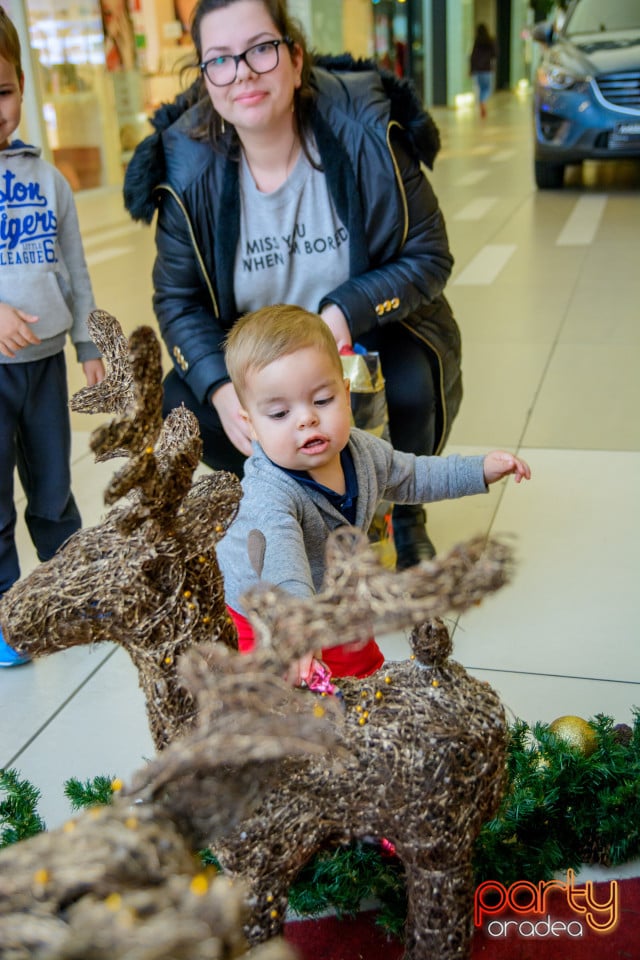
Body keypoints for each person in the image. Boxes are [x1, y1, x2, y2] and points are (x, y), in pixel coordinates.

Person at [124, 0, 461, 572]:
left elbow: (429, 254)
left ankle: (405, 515)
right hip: (262, 358)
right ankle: (279, 501)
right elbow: (178, 301)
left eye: (260, 49)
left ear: (295, 57)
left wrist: (342, 314)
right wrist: (223, 391)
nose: (244, 73)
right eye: (220, 61)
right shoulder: (186, 167)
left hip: (363, 337)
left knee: (413, 380)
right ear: (206, 79)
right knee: (184, 402)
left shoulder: (367, 129)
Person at [217, 304, 531, 681]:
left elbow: (413, 475)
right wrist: (299, 633)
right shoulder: (268, 497)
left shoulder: (362, 451)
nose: (306, 418)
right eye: (280, 414)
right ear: (251, 426)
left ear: (346, 394)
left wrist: (477, 470)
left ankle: (364, 699)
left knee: (361, 670)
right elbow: (285, 568)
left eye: (321, 400)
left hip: (331, 591)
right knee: (281, 687)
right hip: (269, 605)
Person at [0, 7, 105, 667]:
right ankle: (9, 614)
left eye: (2, 91)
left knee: (52, 488)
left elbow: (76, 267)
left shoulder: (47, 178)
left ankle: (69, 595)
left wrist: (91, 347)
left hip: (45, 366)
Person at [470, 23, 497, 119]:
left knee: (481, 88)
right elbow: (495, 54)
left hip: (478, 69)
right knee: (487, 89)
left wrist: (471, 69)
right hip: (487, 68)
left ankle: (481, 102)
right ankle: (482, 102)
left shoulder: (477, 41)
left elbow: (473, 56)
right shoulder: (490, 41)